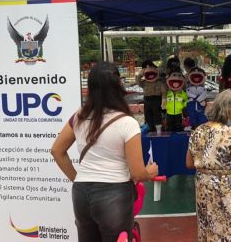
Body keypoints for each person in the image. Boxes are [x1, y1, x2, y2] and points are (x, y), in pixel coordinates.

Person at [51, 62, 159, 242]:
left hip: (81, 193)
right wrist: (149, 172)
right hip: (114, 194)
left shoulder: (79, 116)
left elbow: (57, 150)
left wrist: (79, 178)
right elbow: (138, 172)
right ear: (118, 84)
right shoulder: (127, 123)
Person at [186, 90, 231, 242]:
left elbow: (190, 163)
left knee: (207, 228)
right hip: (226, 190)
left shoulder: (199, 130)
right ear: (229, 110)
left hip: (203, 187)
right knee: (228, 230)